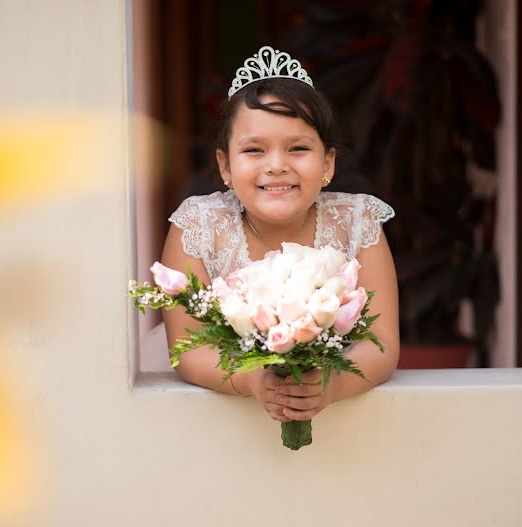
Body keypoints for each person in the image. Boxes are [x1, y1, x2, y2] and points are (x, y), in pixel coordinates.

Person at [160, 46, 399, 423]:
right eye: (254, 150)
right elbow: (189, 351)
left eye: (298, 148)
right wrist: (254, 380)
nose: (276, 166)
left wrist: (329, 386)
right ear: (225, 164)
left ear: (328, 163)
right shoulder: (198, 226)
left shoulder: (357, 221)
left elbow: (382, 343)